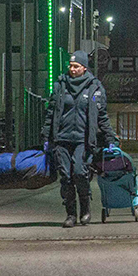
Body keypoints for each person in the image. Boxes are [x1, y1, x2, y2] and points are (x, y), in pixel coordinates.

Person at [42, 50, 118, 227]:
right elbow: (51, 112)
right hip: (61, 139)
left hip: (83, 141)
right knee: (66, 177)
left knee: (79, 173)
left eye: (76, 66)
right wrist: (46, 135)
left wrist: (110, 138)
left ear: (84, 67)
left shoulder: (94, 88)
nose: (72, 69)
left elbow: (102, 116)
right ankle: (70, 214)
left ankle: (85, 208)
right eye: (70, 66)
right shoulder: (61, 86)